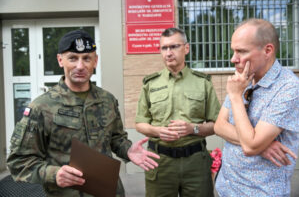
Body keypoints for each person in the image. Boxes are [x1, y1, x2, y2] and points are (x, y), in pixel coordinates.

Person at [7, 29, 160, 197]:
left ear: (95, 61)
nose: (80, 66)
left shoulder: (107, 100)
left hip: (108, 190)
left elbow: (116, 138)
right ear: (60, 60)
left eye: (86, 58)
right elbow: (19, 161)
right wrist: (54, 174)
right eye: (73, 58)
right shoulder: (41, 107)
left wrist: (128, 150)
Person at [214, 18, 299, 196]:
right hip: (227, 187)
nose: (233, 59)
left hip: (260, 192)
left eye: (241, 51)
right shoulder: (244, 78)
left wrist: (236, 96)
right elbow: (219, 125)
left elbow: (250, 147)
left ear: (267, 50)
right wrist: (264, 146)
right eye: (233, 51)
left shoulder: (289, 87)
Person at [135, 27, 221, 197]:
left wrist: (193, 129)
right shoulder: (150, 84)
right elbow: (139, 123)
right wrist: (158, 131)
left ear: (186, 48)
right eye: (164, 48)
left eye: (174, 47)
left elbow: (217, 125)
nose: (168, 53)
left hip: (195, 162)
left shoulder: (202, 83)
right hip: (160, 162)